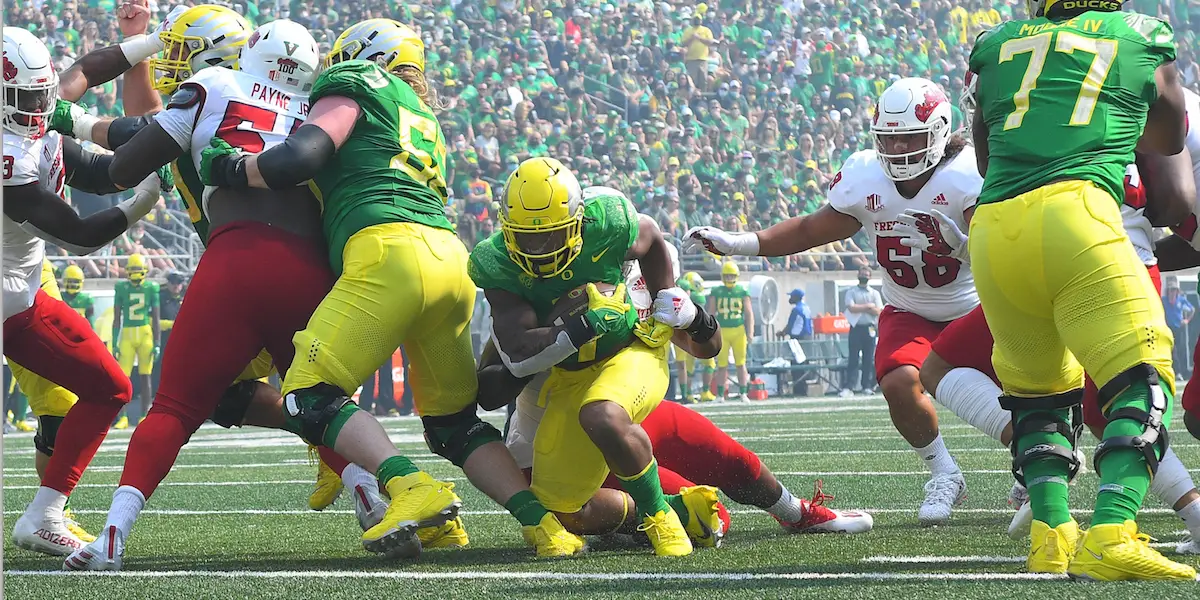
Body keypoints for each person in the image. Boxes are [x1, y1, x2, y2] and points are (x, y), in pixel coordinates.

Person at [197, 19, 575, 559]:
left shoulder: (355, 82)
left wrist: (233, 168)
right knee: (453, 424)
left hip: (387, 251)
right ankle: (546, 529)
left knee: (307, 395)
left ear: (359, 56)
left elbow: (299, 157)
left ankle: (410, 486)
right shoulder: (420, 113)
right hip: (449, 260)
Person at [62, 19, 349, 571]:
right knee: (318, 399)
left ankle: (113, 535)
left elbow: (129, 148)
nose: (172, 63)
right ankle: (382, 490)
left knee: (178, 403)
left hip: (234, 263)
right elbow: (138, 122)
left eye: (179, 52)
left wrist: (60, 121)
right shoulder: (318, 107)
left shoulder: (212, 87)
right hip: (310, 267)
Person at [962, 0, 1192, 579]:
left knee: (1037, 394)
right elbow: (1169, 137)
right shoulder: (1138, 34)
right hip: (1077, 213)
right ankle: (1112, 530)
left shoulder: (997, 44)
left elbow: (986, 154)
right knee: (1142, 378)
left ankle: (1052, 535)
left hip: (994, 226)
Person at [685, 78, 974, 527]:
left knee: (1018, 390)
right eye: (889, 137)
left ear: (937, 133)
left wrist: (964, 247)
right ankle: (944, 472)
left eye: (909, 137)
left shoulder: (965, 174)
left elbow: (1003, 245)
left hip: (976, 305)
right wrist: (738, 243)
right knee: (898, 383)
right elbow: (808, 230)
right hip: (910, 308)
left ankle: (1033, 466)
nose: (897, 148)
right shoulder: (866, 177)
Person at [482, 248, 873, 540]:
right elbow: (489, 389)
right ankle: (641, 521)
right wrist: (558, 341)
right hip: (554, 440)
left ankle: (795, 511)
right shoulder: (530, 294)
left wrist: (694, 317)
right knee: (708, 519)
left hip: (628, 412)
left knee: (730, 462)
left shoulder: (640, 282)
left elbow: (706, 347)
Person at [467, 165, 719, 557]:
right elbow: (512, 361)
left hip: (629, 357)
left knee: (603, 415)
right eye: (526, 238)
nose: (539, 249)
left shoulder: (610, 226)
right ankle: (680, 510)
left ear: (578, 222)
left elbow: (652, 237)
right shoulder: (498, 264)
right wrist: (581, 326)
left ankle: (662, 516)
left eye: (551, 235)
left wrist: (670, 298)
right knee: (559, 511)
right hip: (565, 380)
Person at [3, 24, 168, 556]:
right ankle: (44, 513)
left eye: (42, 94)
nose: (40, 108)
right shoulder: (9, 155)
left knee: (102, 389)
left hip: (22, 286)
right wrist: (145, 199)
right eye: (27, 98)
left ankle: (46, 512)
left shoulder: (31, 117)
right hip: (12, 297)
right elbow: (78, 237)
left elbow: (98, 167)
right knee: (107, 389)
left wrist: (154, 40)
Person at [111, 253, 160, 427]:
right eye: (133, 270)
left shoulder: (151, 287)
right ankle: (123, 417)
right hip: (128, 333)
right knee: (123, 378)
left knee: (145, 376)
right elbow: (117, 317)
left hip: (144, 333)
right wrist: (114, 341)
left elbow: (156, 318)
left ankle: (144, 414)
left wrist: (157, 342)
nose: (135, 273)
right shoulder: (121, 287)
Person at [709, 261, 754, 401]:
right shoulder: (716, 291)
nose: (729, 278)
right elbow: (711, 314)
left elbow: (749, 313)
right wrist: (711, 333)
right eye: (727, 276)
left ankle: (743, 393)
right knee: (722, 364)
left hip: (738, 331)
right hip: (722, 331)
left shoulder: (742, 291)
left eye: (731, 276)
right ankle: (720, 394)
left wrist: (750, 332)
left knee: (741, 363)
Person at [842, 268, 882, 395]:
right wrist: (869, 306)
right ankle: (849, 386)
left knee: (868, 358)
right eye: (862, 274)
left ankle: (866, 386)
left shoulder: (874, 293)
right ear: (858, 275)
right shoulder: (851, 291)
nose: (864, 276)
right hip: (856, 327)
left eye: (866, 274)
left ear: (870, 277)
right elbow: (851, 308)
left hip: (869, 328)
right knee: (853, 358)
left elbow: (878, 311)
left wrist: (862, 308)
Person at [677, 272, 715, 402]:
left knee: (689, 367)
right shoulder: (696, 297)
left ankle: (689, 393)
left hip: (687, 334)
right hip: (697, 334)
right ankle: (703, 391)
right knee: (705, 364)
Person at [153, 271, 186, 396]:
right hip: (163, 338)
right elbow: (151, 320)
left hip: (180, 339)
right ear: (168, 284)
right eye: (173, 283)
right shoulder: (160, 298)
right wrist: (170, 324)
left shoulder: (186, 298)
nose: (176, 286)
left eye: (179, 283)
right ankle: (157, 391)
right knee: (160, 365)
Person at [1163, 280, 1194, 380]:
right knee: (1172, 350)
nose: (1172, 292)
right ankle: (1176, 372)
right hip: (1169, 328)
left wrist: (1187, 320)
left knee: (1181, 349)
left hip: (1179, 328)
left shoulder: (1181, 300)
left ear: (1177, 291)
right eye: (1170, 290)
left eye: (1174, 290)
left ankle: (1182, 372)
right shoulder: (1164, 300)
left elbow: (1192, 309)